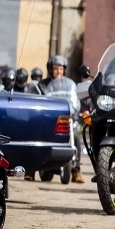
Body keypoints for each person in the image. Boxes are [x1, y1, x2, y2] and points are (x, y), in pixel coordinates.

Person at [32, 55, 84, 184]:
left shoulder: (69, 84)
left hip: (66, 119)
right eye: (56, 69)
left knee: (76, 138)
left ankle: (76, 171)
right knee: (37, 137)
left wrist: (76, 109)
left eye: (61, 69)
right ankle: (30, 169)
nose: (58, 71)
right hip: (49, 121)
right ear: (50, 69)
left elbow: (74, 99)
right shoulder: (43, 85)